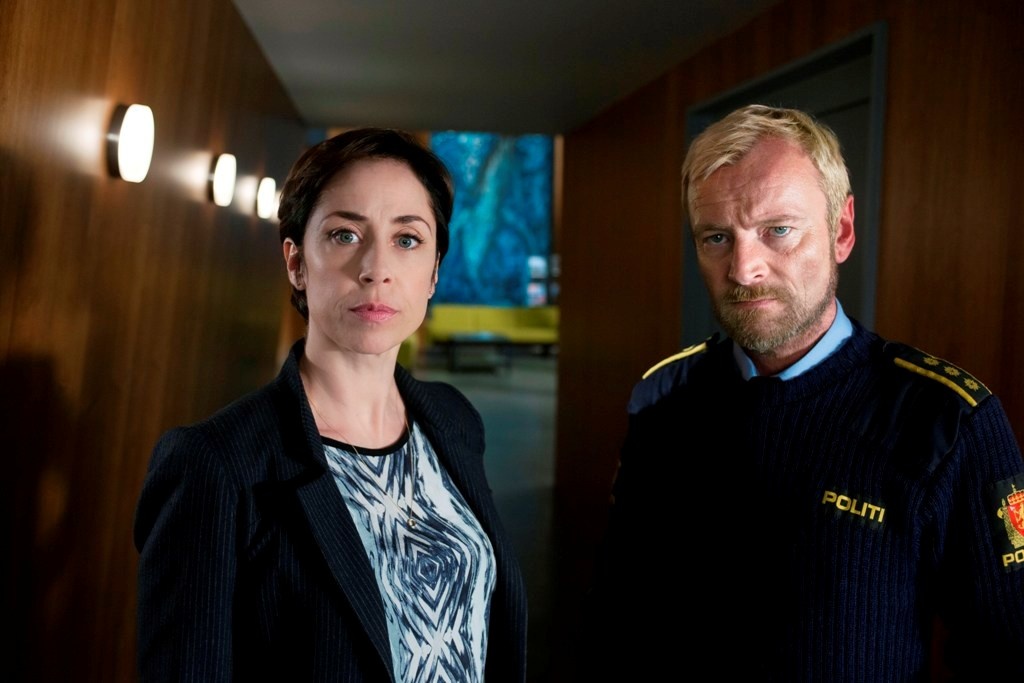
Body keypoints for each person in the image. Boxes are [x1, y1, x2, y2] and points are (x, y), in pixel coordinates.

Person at [584, 104, 1024, 678]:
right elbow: (619, 610)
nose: (743, 269)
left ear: (841, 231)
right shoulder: (665, 395)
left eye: (778, 230)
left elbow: (1007, 649)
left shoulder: (947, 420)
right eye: (717, 237)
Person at [134, 128, 527, 682]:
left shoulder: (453, 419)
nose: (376, 268)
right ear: (296, 262)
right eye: (345, 235)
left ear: (435, 271)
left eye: (407, 239)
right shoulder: (214, 466)